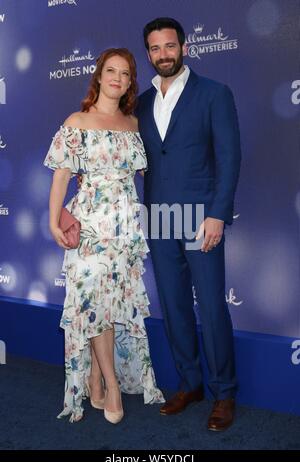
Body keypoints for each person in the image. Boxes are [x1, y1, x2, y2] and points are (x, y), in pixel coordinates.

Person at [44, 48, 164, 424]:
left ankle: (95, 376)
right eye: (111, 71)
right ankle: (112, 385)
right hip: (90, 228)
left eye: (125, 73)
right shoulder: (78, 120)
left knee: (111, 306)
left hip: (125, 229)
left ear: (130, 82)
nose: (117, 78)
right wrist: (53, 222)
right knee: (95, 304)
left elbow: (149, 174)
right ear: (98, 76)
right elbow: (61, 176)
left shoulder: (132, 124)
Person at [136, 18, 241, 431]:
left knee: (212, 307)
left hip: (201, 217)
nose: (163, 54)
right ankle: (190, 382)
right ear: (148, 53)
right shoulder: (142, 102)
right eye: (155, 48)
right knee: (175, 304)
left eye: (169, 46)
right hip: (159, 217)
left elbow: (229, 158)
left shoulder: (214, 93)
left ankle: (224, 392)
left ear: (184, 46)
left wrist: (217, 213)